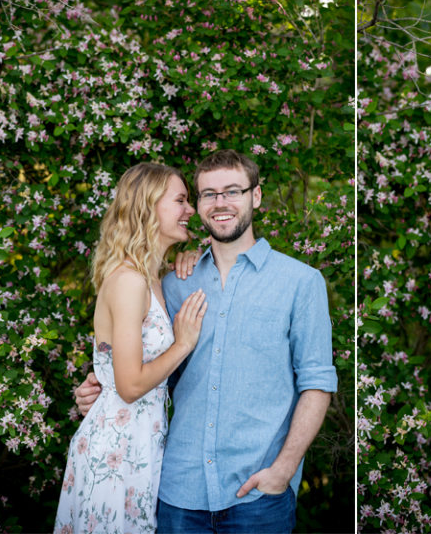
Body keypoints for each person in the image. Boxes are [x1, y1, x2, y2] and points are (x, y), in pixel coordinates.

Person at [74, 150, 337, 534]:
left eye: (232, 191)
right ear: (198, 206)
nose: (220, 203)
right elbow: (142, 365)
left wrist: (283, 471)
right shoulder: (173, 283)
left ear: (256, 196)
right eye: (207, 194)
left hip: (258, 497)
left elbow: (317, 383)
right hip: (177, 491)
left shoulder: (301, 282)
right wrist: (99, 387)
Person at [54, 163, 208, 534]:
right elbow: (129, 385)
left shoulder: (154, 279)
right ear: (148, 207)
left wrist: (188, 261)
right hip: (114, 454)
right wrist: (183, 343)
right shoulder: (127, 281)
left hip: (141, 448)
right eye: (181, 200)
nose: (192, 210)